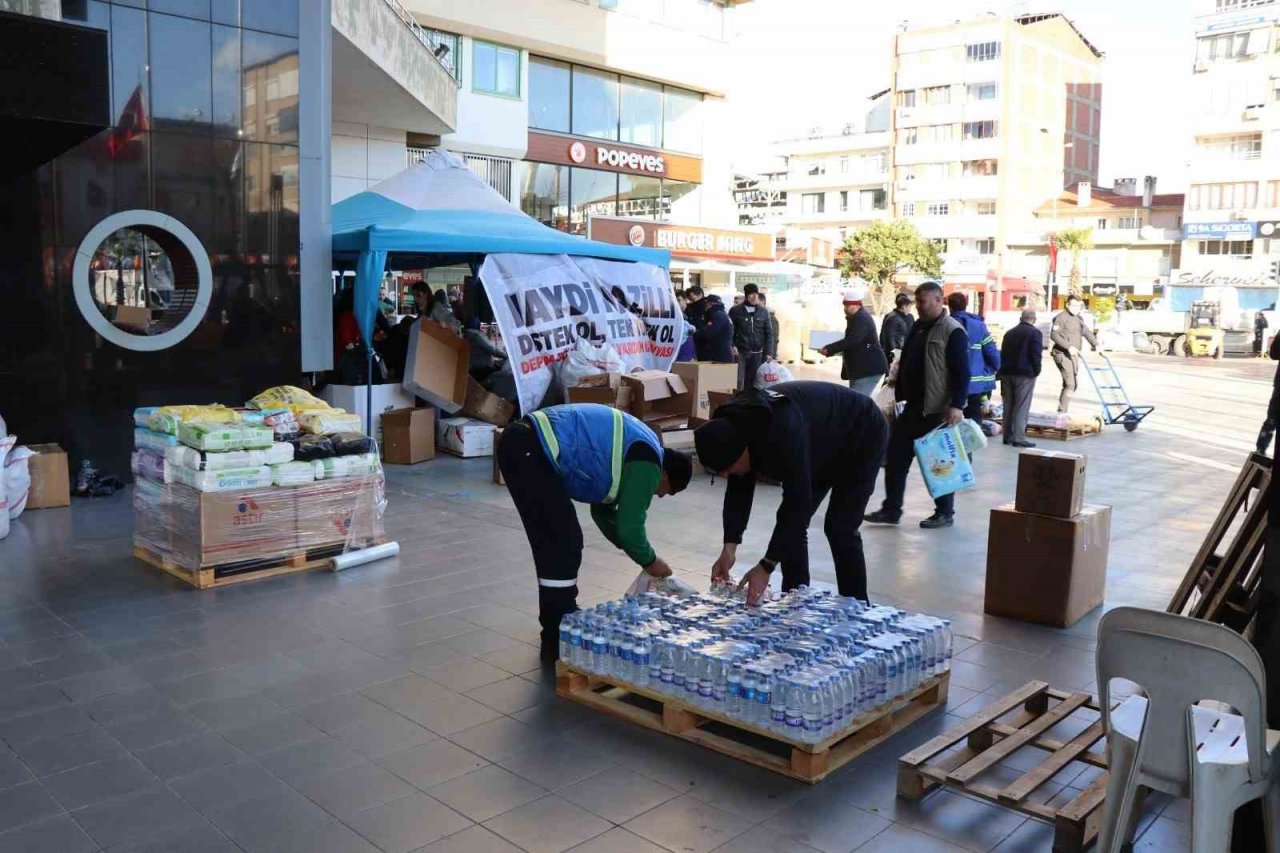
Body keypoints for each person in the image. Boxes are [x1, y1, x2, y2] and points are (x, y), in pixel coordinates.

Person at [498, 404, 693, 661]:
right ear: (665, 473)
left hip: (525, 444)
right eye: (666, 490)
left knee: (560, 540)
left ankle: (559, 620)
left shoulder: (637, 451)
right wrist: (651, 561)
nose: (659, 494)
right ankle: (557, 631)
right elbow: (630, 526)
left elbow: (603, 514)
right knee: (561, 542)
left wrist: (632, 548)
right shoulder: (648, 462)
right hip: (530, 448)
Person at [693, 382, 888, 603]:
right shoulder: (732, 427)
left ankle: (857, 607)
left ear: (743, 449)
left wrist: (766, 566)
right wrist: (729, 548)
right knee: (793, 530)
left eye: (730, 469)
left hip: (861, 432)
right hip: (819, 439)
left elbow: (797, 504)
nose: (729, 476)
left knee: (840, 527)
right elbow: (739, 490)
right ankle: (796, 600)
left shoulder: (780, 433)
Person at [865, 280, 970, 529]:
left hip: (936, 411)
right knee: (896, 458)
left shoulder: (952, 330)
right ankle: (892, 509)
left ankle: (945, 512)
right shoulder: (918, 326)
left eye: (922, 302)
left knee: (938, 463)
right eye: (917, 302)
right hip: (911, 408)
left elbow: (961, 372)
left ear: (937, 300)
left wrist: (957, 404)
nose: (918, 307)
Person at [819, 284, 887, 396]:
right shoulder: (855, 317)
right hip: (862, 369)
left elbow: (853, 339)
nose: (844, 309)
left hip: (868, 369)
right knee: (856, 401)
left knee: (857, 402)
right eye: (844, 306)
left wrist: (829, 349)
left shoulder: (862, 318)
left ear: (856, 305)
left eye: (847, 306)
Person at [945, 292, 1001, 421]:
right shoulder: (978, 325)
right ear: (966, 304)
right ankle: (973, 439)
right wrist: (996, 367)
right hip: (975, 381)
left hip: (950, 381)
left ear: (949, 306)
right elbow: (991, 350)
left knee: (948, 417)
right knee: (974, 414)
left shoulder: (945, 324)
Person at [998, 308, 1043, 448]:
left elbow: (1002, 353)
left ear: (1021, 318)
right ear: (1034, 319)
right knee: (1021, 406)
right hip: (1024, 375)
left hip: (1007, 373)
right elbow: (1036, 355)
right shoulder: (1035, 333)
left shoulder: (1009, 333)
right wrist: (1037, 371)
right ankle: (1018, 438)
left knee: (1008, 405)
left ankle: (1007, 436)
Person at [1051, 296, 1098, 413]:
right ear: (1067, 305)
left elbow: (1086, 332)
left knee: (1073, 385)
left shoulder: (1078, 318)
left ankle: (1062, 408)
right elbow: (1054, 335)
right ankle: (1062, 412)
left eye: (1078, 306)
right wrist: (1068, 347)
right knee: (1070, 384)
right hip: (1061, 354)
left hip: (1073, 355)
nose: (1076, 308)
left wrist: (1096, 344)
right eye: (1074, 305)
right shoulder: (1061, 318)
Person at [729, 283, 775, 389]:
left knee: (754, 381)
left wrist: (769, 352)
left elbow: (769, 333)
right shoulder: (735, 311)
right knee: (738, 381)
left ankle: (750, 403)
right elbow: (730, 331)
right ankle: (738, 403)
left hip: (757, 353)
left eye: (756, 294)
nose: (754, 297)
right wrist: (732, 345)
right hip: (740, 353)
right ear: (746, 295)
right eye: (751, 294)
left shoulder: (763, 312)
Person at [693, 293, 733, 362]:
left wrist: (694, 333)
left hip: (718, 355)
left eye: (706, 303)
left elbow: (708, 332)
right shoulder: (723, 314)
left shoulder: (717, 315)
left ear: (711, 304)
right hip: (723, 353)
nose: (705, 305)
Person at [879, 292, 915, 367]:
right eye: (909, 306)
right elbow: (889, 337)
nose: (910, 309)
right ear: (903, 306)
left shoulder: (910, 317)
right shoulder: (892, 318)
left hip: (906, 351)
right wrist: (893, 353)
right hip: (896, 353)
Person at [759, 292, 780, 362]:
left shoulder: (771, 318)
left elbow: (773, 339)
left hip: (766, 356)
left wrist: (770, 355)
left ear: (762, 302)